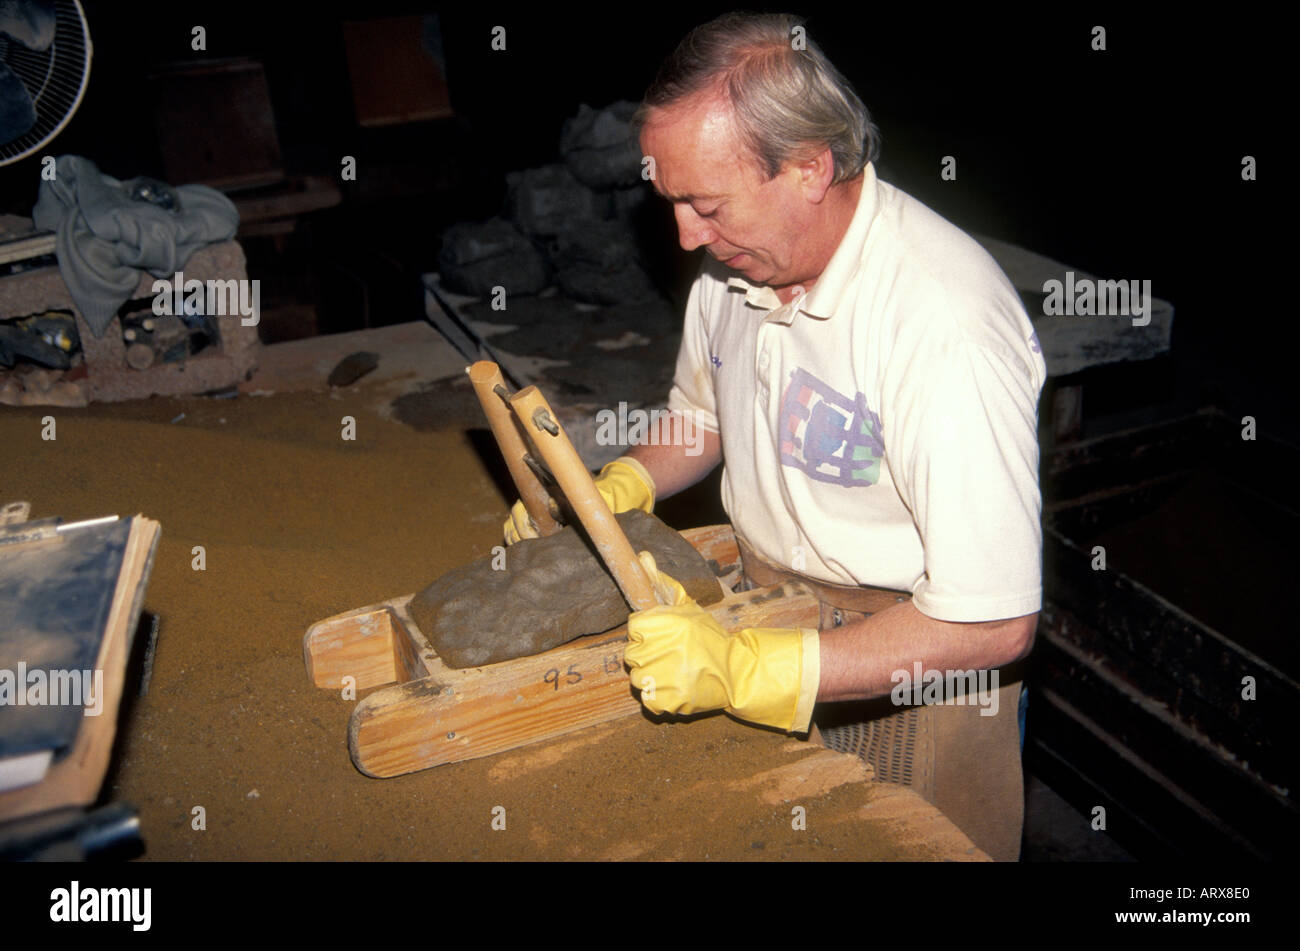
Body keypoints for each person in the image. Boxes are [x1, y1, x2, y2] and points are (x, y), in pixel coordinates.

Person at [504, 12, 1045, 861]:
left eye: (706, 204)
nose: (685, 236)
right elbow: (705, 414)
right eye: (672, 201)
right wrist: (616, 486)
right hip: (768, 610)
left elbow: (994, 622)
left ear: (807, 168)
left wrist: (752, 672)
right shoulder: (736, 270)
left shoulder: (943, 325)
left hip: (914, 670)